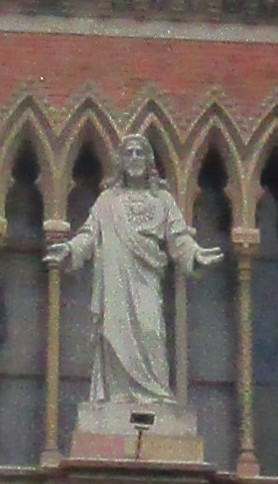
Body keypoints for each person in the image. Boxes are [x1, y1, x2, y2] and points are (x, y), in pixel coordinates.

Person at [45, 128, 224, 429]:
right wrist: (70, 249)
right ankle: (118, 398)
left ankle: (153, 395)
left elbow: (179, 237)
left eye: (140, 152)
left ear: (149, 160)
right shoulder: (107, 201)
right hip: (116, 281)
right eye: (128, 153)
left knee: (151, 332)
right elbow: (89, 234)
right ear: (121, 162)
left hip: (145, 280)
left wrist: (195, 254)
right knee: (115, 334)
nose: (135, 157)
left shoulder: (163, 200)